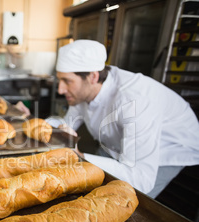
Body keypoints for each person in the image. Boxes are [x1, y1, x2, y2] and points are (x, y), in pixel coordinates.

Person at [20, 39, 199, 198]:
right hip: (117, 145)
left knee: (127, 200)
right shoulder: (85, 90)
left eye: (67, 81)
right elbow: (66, 123)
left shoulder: (134, 100)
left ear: (93, 77)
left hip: (168, 149)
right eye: (60, 80)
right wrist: (31, 121)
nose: (60, 90)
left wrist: (80, 155)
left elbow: (140, 178)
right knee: (91, 189)